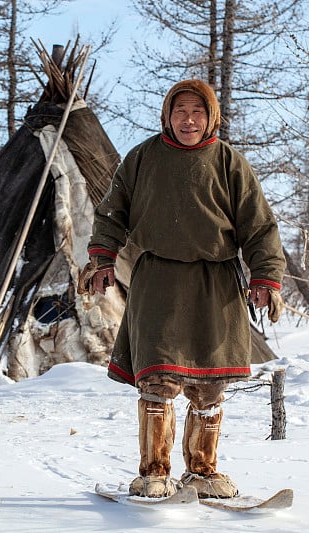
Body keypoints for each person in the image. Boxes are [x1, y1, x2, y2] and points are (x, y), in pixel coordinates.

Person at [79, 79, 285, 499]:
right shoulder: (143, 158)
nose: (188, 120)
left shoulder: (230, 162)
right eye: (180, 111)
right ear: (166, 115)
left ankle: (203, 473)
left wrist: (266, 278)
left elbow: (259, 225)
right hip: (158, 280)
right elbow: (111, 213)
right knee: (158, 378)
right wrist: (102, 258)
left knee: (210, 384)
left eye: (197, 112)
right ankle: (154, 472)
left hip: (217, 283)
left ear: (211, 117)